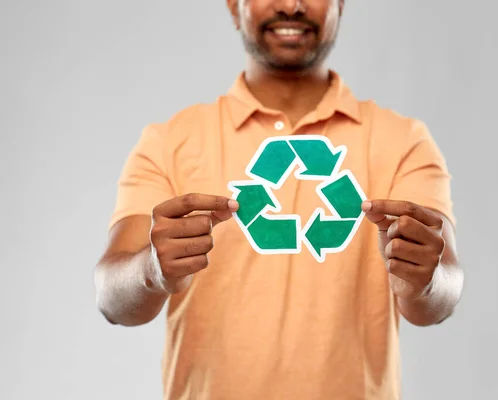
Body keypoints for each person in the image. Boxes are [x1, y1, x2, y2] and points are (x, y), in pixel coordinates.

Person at [94, 0, 464, 399]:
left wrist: (426, 280)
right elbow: (112, 299)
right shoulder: (169, 143)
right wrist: (151, 268)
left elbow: (440, 295)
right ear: (234, 7)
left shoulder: (403, 141)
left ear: (341, 5)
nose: (292, 5)